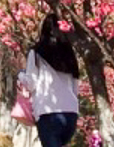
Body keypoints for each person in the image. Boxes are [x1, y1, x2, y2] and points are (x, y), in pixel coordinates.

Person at [17, 19, 80, 147]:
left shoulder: (36, 52)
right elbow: (75, 86)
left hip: (48, 113)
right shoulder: (69, 53)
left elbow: (31, 84)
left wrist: (20, 75)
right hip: (71, 113)